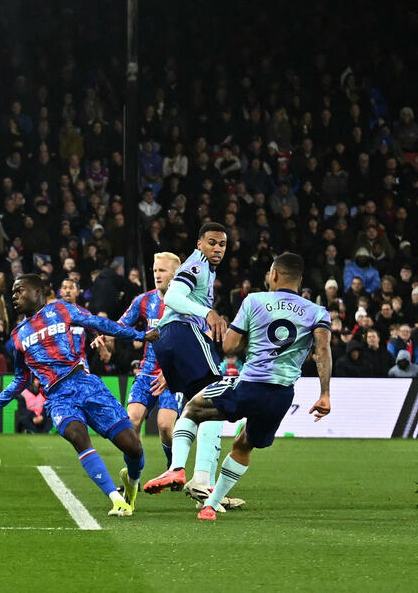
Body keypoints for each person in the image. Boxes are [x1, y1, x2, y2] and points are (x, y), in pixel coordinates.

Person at [146, 254, 332, 520]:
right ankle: (211, 505)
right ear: (300, 280)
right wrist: (325, 394)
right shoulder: (317, 312)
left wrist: (251, 339)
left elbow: (230, 346)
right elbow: (322, 351)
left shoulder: (254, 301)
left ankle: (177, 468)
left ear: (274, 275)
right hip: (281, 395)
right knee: (244, 446)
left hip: (250, 386)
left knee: (193, 408)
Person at [0, 274, 158, 516]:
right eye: (13, 292)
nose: (14, 296)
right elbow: (21, 378)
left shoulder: (60, 309)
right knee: (78, 436)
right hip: (58, 397)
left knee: (133, 448)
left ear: (38, 292)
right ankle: (116, 498)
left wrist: (139, 335)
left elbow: (100, 323)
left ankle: (132, 481)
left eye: (20, 291)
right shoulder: (17, 336)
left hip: (86, 384)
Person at [144, 222, 230, 504]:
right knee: (216, 400)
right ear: (199, 244)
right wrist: (207, 312)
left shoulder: (205, 269)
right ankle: (203, 482)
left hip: (168, 340)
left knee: (195, 406)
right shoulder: (197, 266)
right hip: (181, 332)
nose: (217, 249)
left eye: (222, 244)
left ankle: (178, 469)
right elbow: (174, 296)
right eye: (211, 243)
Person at [95, 252, 183, 470]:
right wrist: (105, 335)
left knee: (165, 426)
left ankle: (173, 467)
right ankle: (133, 477)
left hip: (172, 375)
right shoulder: (144, 300)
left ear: (175, 274)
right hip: (146, 373)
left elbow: (200, 336)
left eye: (162, 270)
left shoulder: (186, 304)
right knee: (131, 423)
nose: (157, 274)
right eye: (155, 270)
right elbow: (121, 325)